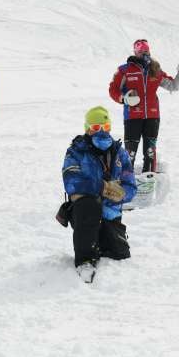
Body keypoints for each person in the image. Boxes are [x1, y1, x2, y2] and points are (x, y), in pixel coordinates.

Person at [60, 106, 136, 282]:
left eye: (105, 127)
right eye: (95, 128)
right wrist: (103, 188)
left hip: (111, 212)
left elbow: (131, 186)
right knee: (89, 205)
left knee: (119, 253)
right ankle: (85, 260)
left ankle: (102, 239)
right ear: (87, 129)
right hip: (85, 211)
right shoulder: (76, 151)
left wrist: (121, 194)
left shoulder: (119, 153)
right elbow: (72, 182)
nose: (101, 132)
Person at [108, 39, 179, 173]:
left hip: (152, 115)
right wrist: (123, 98)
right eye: (141, 51)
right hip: (132, 116)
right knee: (130, 152)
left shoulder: (155, 70)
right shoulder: (125, 70)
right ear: (135, 52)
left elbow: (174, 85)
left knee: (150, 151)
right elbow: (113, 90)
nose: (145, 54)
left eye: (147, 51)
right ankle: (126, 179)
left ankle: (149, 179)